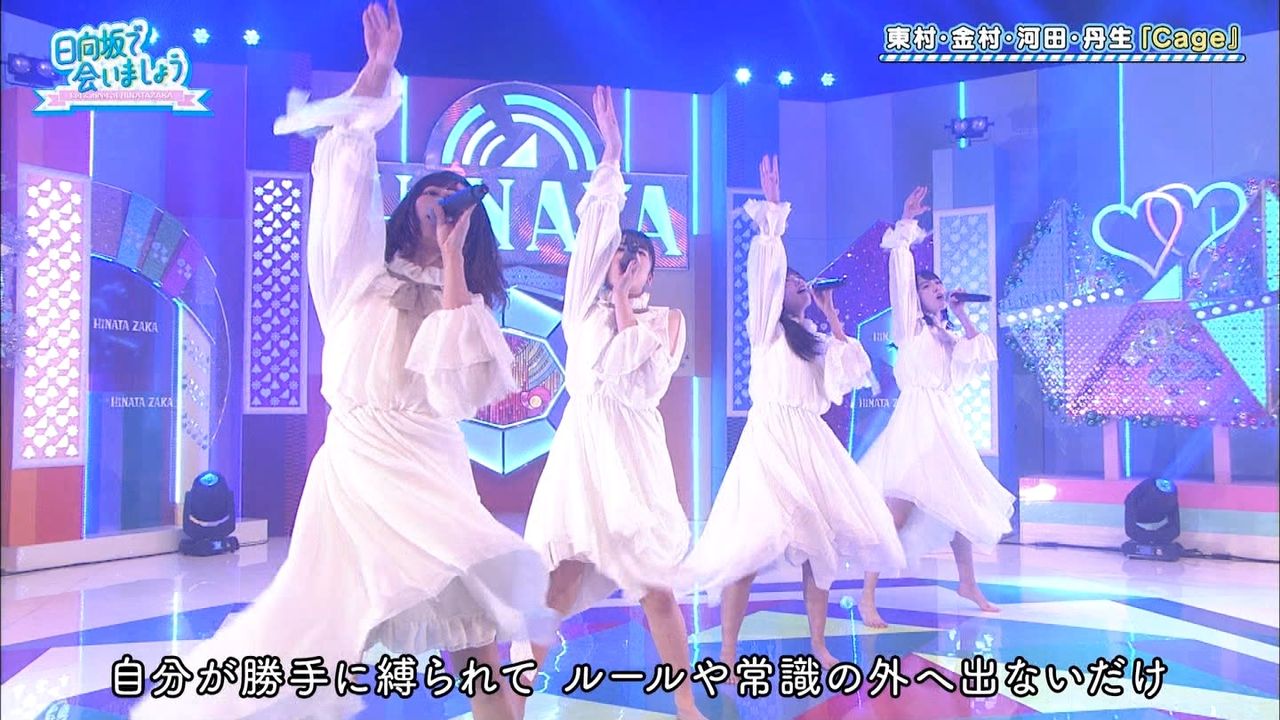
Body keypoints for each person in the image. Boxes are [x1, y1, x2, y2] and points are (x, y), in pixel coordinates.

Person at [131, 3, 554, 719]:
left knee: (474, 623)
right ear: (408, 205)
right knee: (320, 627)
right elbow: (348, 169)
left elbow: (461, 388)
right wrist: (378, 72)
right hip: (356, 466)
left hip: (429, 466)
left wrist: (453, 259)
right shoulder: (359, 278)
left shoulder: (465, 301)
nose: (436, 203)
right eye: (427, 193)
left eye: (450, 200)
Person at [514, 87, 704, 719]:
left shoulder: (667, 322)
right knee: (560, 581)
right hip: (582, 449)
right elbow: (597, 226)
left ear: (653, 269)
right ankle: (515, 700)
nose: (627, 262)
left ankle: (684, 702)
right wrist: (611, 156)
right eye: (620, 255)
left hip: (633, 455)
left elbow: (642, 383)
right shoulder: (580, 311)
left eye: (639, 257)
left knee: (656, 589)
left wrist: (624, 303)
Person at [681, 156, 906, 674]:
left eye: (804, 282)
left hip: (809, 439)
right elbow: (764, 274)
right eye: (793, 282)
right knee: (750, 546)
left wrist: (833, 319)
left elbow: (844, 379)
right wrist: (773, 216)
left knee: (820, 545)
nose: (800, 285)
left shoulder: (816, 338)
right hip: (770, 439)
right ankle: (729, 649)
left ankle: (819, 642)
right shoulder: (766, 329)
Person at [858, 186, 1015, 629]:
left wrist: (961, 314)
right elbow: (900, 274)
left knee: (958, 503)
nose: (938, 290)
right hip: (915, 421)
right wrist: (906, 223)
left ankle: (968, 583)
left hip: (944, 422)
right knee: (898, 510)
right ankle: (867, 595)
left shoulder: (947, 335)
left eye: (939, 285)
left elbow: (973, 357)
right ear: (916, 296)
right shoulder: (909, 327)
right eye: (928, 287)